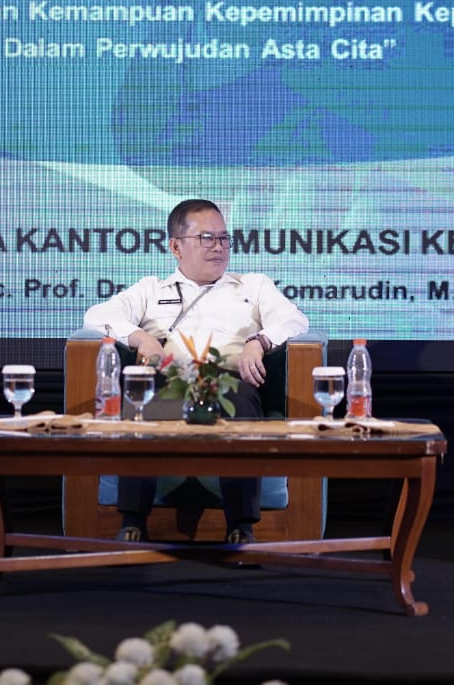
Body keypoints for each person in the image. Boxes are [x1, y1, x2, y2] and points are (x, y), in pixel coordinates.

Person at [83, 198, 310, 544]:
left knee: (241, 400)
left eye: (224, 238)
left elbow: (294, 319)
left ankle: (241, 527)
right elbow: (96, 315)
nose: (219, 247)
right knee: (141, 402)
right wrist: (141, 337)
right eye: (207, 238)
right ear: (176, 246)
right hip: (171, 381)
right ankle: (132, 523)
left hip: (229, 381)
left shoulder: (252, 286)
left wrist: (259, 341)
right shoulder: (151, 290)